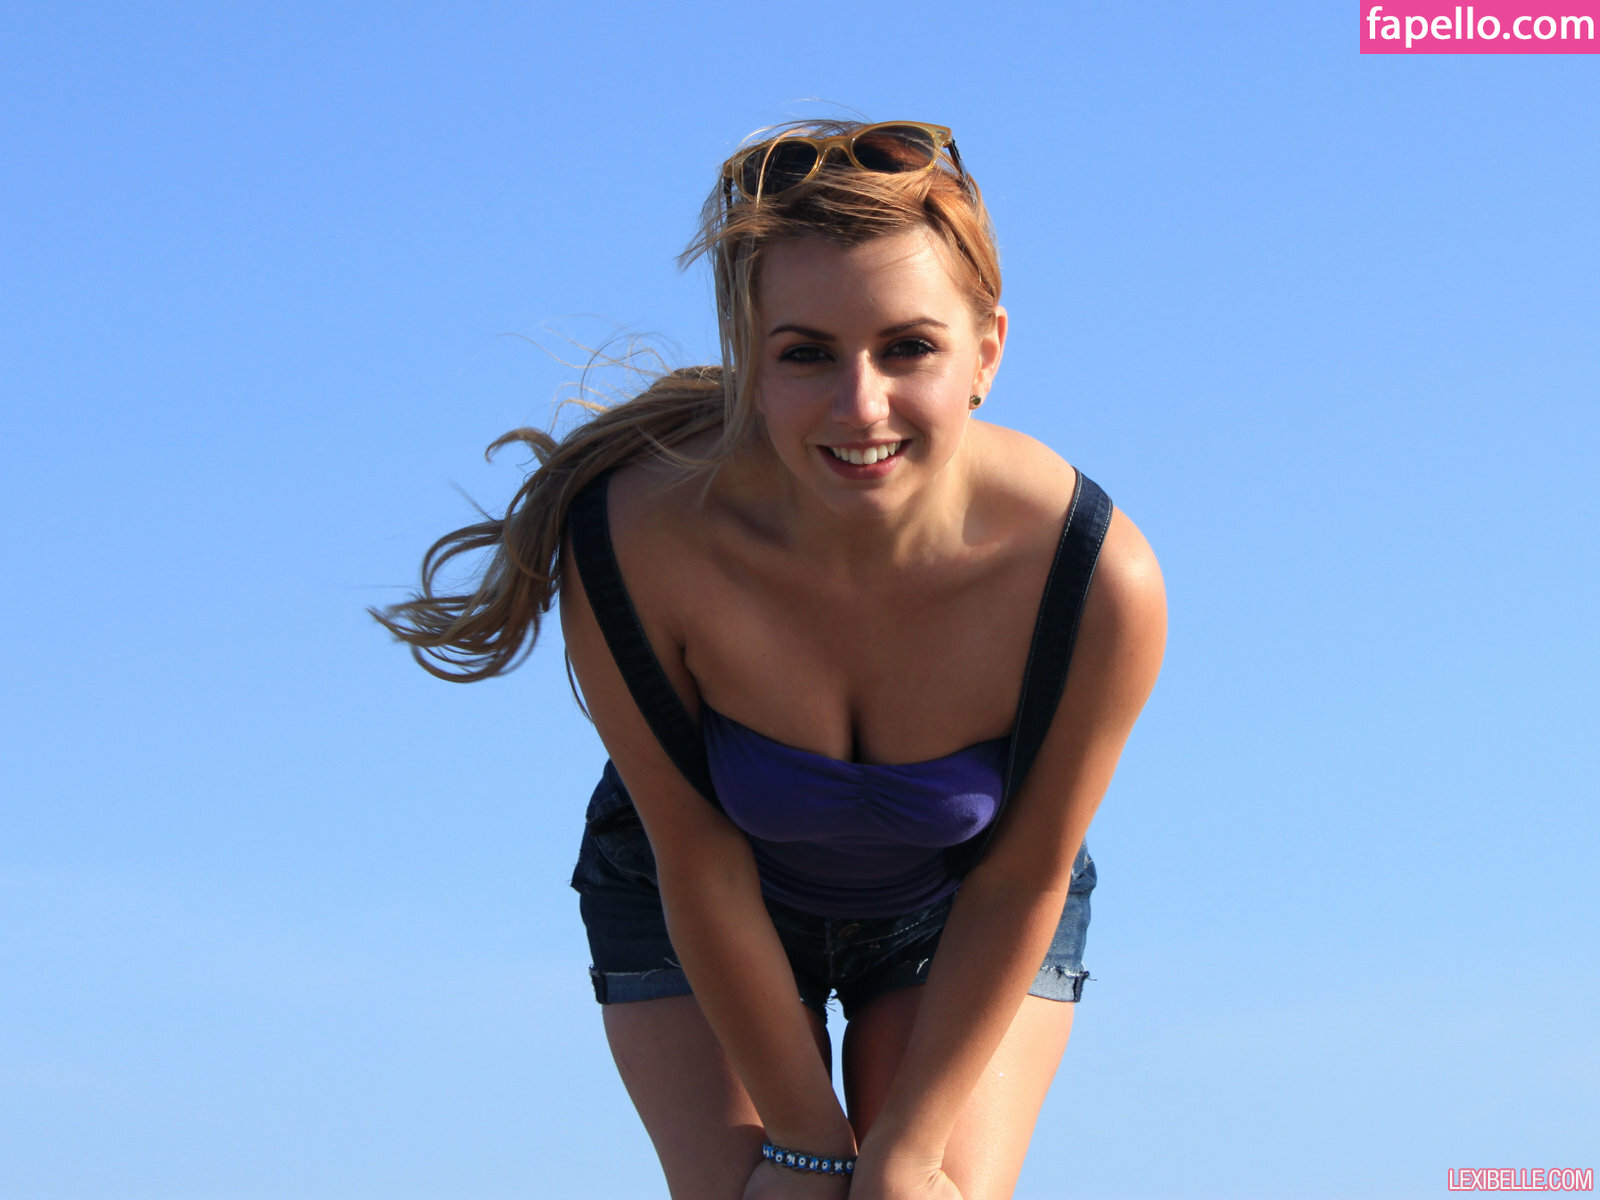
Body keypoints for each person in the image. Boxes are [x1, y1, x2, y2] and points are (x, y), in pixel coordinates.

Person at [375, 119, 1167, 1200]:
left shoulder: (1094, 578)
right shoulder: (633, 538)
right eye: (805, 354)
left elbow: (1022, 875)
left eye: (909, 348)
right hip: (695, 890)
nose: (860, 406)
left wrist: (903, 1152)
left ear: (986, 350)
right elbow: (697, 859)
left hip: (968, 904)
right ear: (749, 360)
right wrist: (803, 1142)